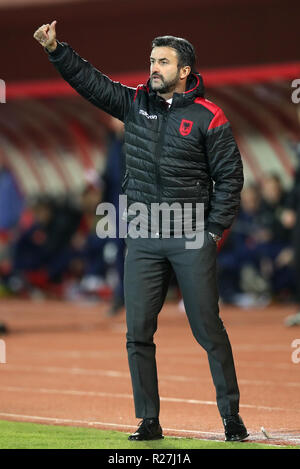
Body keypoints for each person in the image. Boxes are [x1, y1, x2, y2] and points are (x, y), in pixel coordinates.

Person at [33, 22, 248, 442]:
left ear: (184, 70)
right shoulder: (134, 103)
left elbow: (230, 178)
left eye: (162, 61)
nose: (153, 67)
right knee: (137, 333)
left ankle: (231, 416)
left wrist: (211, 233)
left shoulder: (210, 116)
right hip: (144, 236)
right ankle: (148, 420)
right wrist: (56, 49)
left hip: (191, 235)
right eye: (152, 60)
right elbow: (91, 84)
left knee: (208, 329)